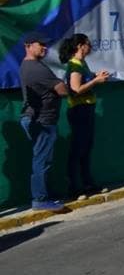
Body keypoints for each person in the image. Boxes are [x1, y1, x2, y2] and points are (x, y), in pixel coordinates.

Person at [19, 31, 69, 211]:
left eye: (45, 45)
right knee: (41, 160)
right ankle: (39, 199)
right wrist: (61, 85)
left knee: (43, 159)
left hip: (40, 119)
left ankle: (45, 194)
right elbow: (62, 90)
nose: (45, 48)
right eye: (40, 44)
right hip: (42, 121)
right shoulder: (35, 68)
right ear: (28, 46)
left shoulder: (31, 65)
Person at [58, 34, 110, 199]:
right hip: (79, 110)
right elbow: (76, 89)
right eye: (88, 44)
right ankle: (74, 187)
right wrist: (96, 81)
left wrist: (95, 76)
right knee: (78, 149)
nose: (90, 47)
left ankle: (88, 183)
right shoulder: (74, 65)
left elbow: (84, 80)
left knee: (86, 148)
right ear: (80, 46)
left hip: (87, 109)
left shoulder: (82, 63)